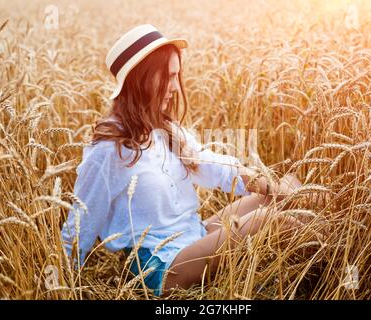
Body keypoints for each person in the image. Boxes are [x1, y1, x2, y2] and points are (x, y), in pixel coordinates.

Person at [61, 24, 307, 298]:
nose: (176, 87)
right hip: (160, 266)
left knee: (286, 192)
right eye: (167, 76)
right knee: (268, 219)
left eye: (177, 75)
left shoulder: (165, 130)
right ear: (140, 79)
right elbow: (81, 220)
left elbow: (211, 165)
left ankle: (344, 237)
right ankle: (318, 276)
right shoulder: (109, 149)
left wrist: (266, 184)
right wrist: (62, 284)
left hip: (194, 235)